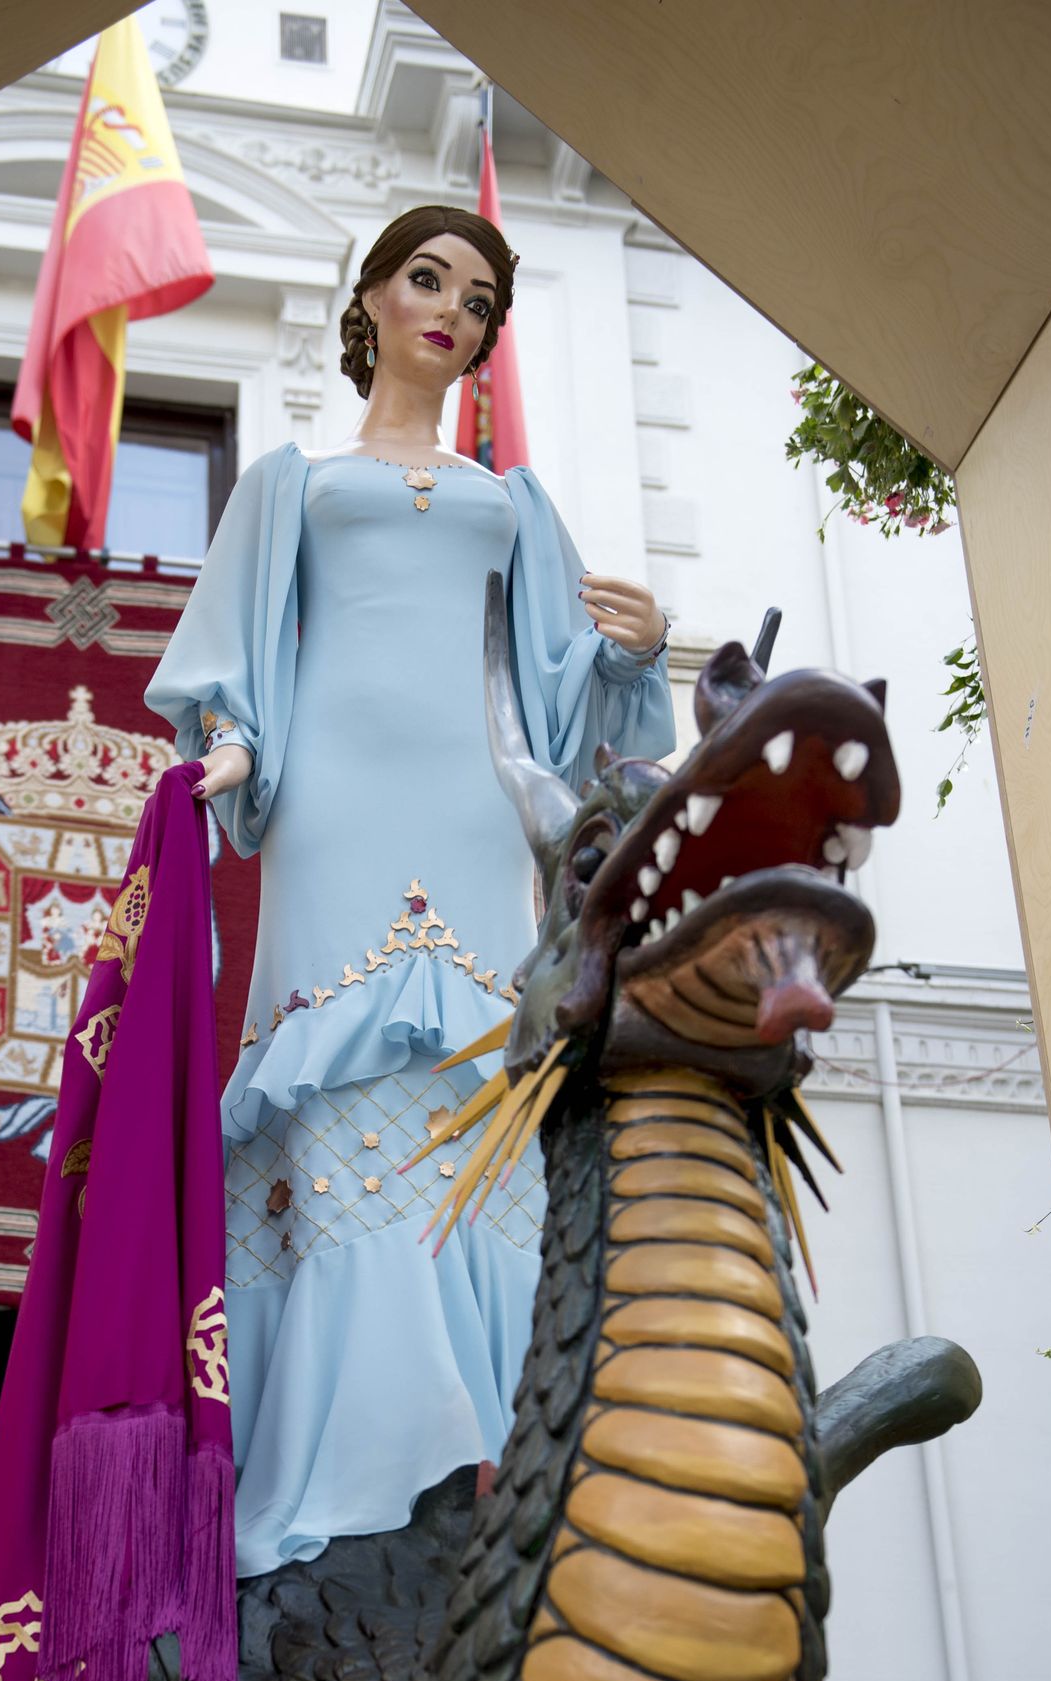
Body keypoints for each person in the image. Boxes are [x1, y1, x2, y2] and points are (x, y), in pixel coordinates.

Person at [146, 203, 674, 1575]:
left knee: (475, 1092)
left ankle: (487, 1440)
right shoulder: (292, 482)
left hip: (473, 816)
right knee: (335, 1084)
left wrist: (636, 652)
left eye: (478, 300)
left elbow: (567, 710)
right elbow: (239, 653)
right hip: (333, 811)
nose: (452, 308)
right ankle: (333, 1459)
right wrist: (229, 749)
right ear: (373, 298)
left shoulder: (514, 506)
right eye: (429, 280)